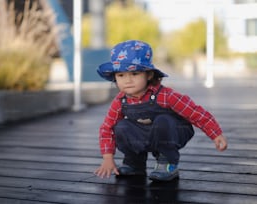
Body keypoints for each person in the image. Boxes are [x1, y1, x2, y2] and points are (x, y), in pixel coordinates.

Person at [94, 40, 227, 181]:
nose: (127, 80)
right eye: (121, 75)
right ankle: (134, 163)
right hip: (145, 134)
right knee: (121, 126)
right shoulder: (120, 101)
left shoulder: (165, 95)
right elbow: (107, 128)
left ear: (149, 75)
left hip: (172, 132)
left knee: (163, 120)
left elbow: (194, 112)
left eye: (134, 74)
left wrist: (216, 134)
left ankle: (168, 162)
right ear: (115, 77)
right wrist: (107, 157)